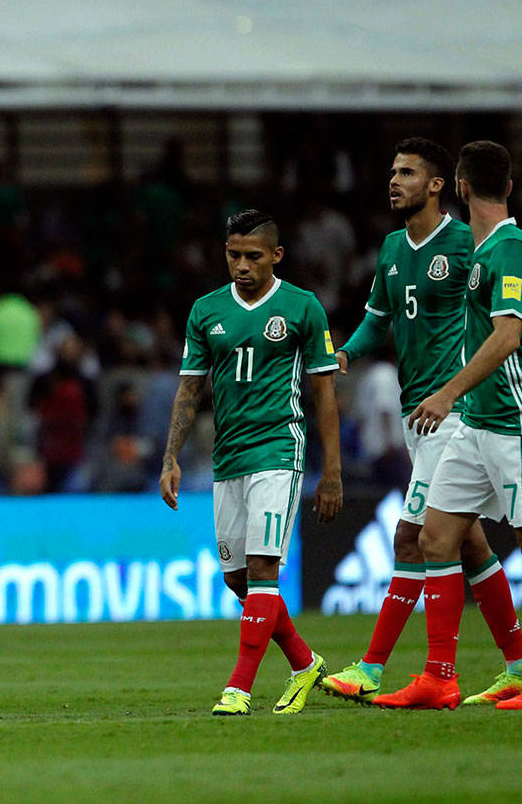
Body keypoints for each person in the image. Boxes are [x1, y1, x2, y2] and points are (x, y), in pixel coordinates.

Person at [322, 138, 500, 703]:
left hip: (451, 412)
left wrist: (459, 391)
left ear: (438, 184)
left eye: (406, 172)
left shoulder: (467, 244)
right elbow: (378, 321)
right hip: (413, 413)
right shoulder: (394, 248)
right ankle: (518, 664)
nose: (394, 181)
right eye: (392, 171)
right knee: (467, 545)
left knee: (412, 537)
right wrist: (347, 352)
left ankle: (375, 668)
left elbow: (499, 321)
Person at [160, 208, 342, 716]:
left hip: (279, 448)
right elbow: (190, 387)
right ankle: (305, 665)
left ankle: (238, 688)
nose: (241, 265)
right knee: (238, 579)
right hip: (228, 455)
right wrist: (170, 457)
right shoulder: (207, 310)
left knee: (264, 569)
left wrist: (332, 471)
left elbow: (325, 393)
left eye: (252, 256)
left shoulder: (303, 307)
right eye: (233, 254)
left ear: (276, 256)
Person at [374, 141, 522, 710]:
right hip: (474, 427)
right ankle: (440, 677)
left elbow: (509, 335)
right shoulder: (482, 250)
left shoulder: (508, 249)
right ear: (506, 186)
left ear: (458, 187)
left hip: (508, 423)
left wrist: (446, 392)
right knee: (435, 538)